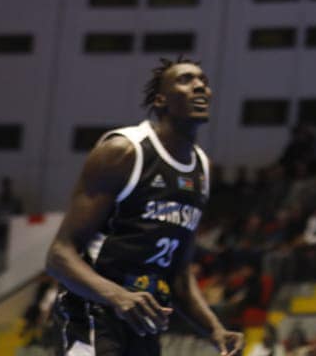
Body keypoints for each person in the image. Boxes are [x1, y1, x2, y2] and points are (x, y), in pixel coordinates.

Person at [47, 58, 242, 356]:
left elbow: (179, 274)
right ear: (160, 99)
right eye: (186, 80)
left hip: (144, 319)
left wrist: (214, 328)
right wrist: (118, 296)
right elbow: (59, 255)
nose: (201, 86)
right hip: (92, 310)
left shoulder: (202, 168)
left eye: (203, 80)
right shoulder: (124, 151)